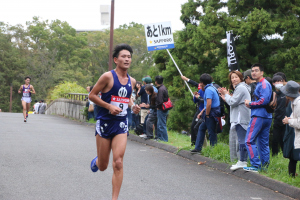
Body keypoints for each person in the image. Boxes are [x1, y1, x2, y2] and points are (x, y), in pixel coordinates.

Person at [89, 44, 140, 200]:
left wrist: (133, 106)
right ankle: (98, 161)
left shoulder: (132, 81)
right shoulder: (107, 77)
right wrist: (108, 106)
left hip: (121, 124)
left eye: (129, 57)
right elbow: (92, 95)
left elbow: (127, 99)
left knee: (118, 162)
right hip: (105, 122)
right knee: (104, 166)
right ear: (116, 59)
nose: (127, 59)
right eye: (123, 56)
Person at [219, 71, 251, 170]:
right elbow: (233, 102)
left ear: (241, 78)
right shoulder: (241, 88)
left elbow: (233, 102)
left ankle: (242, 161)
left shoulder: (241, 88)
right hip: (239, 117)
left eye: (236, 77)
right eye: (232, 78)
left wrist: (226, 95)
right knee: (239, 140)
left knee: (241, 140)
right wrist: (227, 98)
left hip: (240, 118)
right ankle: (240, 161)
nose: (234, 79)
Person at [244, 63, 272, 172]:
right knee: (263, 143)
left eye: (256, 70)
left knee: (249, 140)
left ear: (262, 72)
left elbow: (263, 100)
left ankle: (255, 165)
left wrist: (250, 103)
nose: (254, 72)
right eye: (252, 71)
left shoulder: (263, 84)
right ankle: (264, 167)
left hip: (259, 115)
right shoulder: (262, 84)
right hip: (266, 116)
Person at [191, 73, 221, 153]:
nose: (200, 84)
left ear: (203, 83)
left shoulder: (208, 90)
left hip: (211, 114)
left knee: (211, 132)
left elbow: (209, 104)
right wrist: (202, 112)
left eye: (200, 82)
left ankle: (214, 151)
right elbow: (206, 104)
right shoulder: (212, 87)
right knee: (201, 128)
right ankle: (198, 148)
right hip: (211, 113)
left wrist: (207, 114)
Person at [281, 81, 300, 177]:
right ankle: (292, 178)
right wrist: (290, 119)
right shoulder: (294, 102)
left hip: (298, 134)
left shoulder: (299, 104)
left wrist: (289, 121)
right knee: (293, 157)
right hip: (296, 134)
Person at [181, 76, 205, 146]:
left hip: (203, 110)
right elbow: (195, 100)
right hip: (199, 110)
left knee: (198, 127)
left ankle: (199, 144)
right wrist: (196, 96)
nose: (200, 85)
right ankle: (194, 144)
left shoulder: (208, 90)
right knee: (194, 126)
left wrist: (198, 97)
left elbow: (206, 102)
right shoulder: (200, 89)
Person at [271, 75, 286, 156]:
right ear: (273, 83)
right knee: (275, 140)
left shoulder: (286, 93)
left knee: (284, 140)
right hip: (276, 120)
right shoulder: (273, 94)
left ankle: (285, 155)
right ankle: (274, 156)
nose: (279, 83)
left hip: (285, 120)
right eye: (277, 81)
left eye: (280, 81)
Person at [155, 75, 169, 142]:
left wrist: (157, 107)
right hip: (165, 108)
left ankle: (164, 139)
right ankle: (160, 138)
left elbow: (160, 100)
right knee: (160, 124)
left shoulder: (160, 89)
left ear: (156, 82)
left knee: (161, 124)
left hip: (161, 109)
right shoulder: (164, 87)